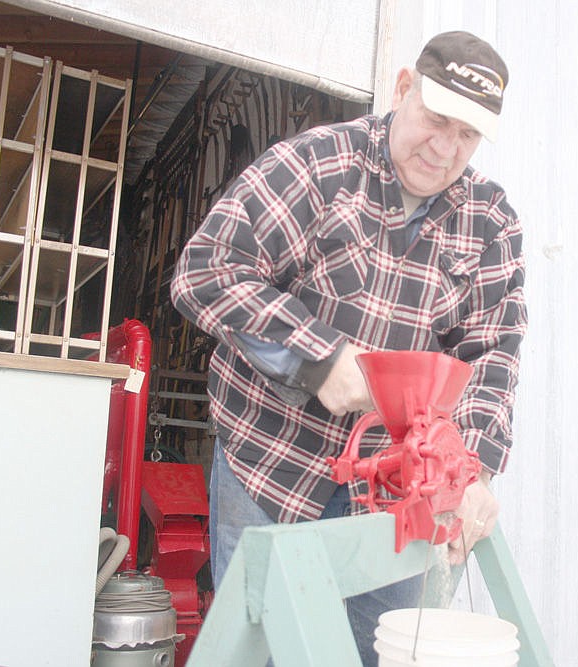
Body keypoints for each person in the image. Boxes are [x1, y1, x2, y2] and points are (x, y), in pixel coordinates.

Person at [171, 29, 526, 665]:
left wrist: (467, 470)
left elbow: (492, 355)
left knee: (381, 649)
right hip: (270, 465)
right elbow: (208, 271)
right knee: (257, 648)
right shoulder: (315, 166)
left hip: (395, 494)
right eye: (435, 119)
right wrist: (318, 358)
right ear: (402, 88)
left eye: (467, 136)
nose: (445, 150)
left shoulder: (491, 221)